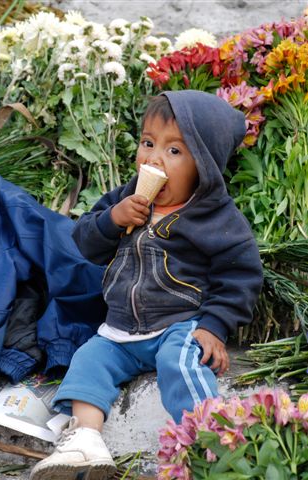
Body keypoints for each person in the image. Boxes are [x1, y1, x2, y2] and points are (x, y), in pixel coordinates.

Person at [30, 90, 263, 480]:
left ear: (203, 165)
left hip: (178, 323)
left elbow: (239, 273)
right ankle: (86, 439)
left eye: (174, 151)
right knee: (88, 360)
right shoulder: (126, 197)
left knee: (183, 360)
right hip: (120, 329)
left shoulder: (213, 216)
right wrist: (111, 220)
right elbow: (82, 241)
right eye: (148, 143)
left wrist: (214, 326)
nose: (153, 158)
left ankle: (207, 436)